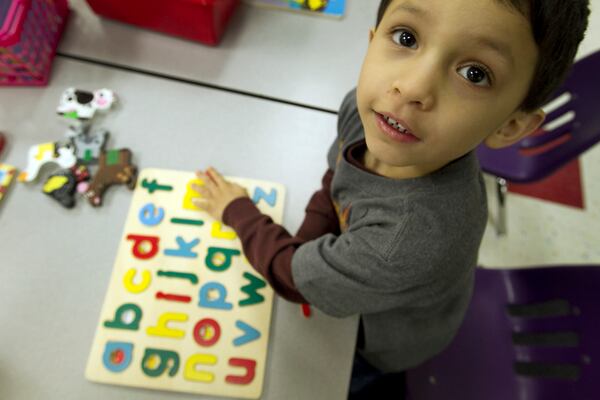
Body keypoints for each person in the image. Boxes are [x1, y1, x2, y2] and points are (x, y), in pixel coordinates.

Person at [192, 0, 590, 398]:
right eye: (406, 37)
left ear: (510, 126)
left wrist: (237, 212)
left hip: (382, 341)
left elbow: (293, 278)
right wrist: (310, 240)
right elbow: (339, 178)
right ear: (371, 41)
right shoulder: (373, 112)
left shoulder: (406, 239)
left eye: (474, 73)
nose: (412, 87)